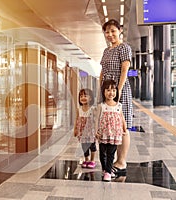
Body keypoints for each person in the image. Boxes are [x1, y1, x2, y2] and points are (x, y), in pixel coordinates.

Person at [100, 19, 132, 176]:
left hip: (119, 90)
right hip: (107, 92)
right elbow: (102, 72)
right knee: (111, 126)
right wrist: (102, 90)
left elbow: (125, 70)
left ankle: (121, 161)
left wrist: (117, 92)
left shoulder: (124, 47)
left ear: (119, 30)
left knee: (122, 126)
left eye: (113, 30)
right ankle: (114, 160)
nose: (110, 34)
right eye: (107, 32)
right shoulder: (106, 51)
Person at [95, 79, 128, 182]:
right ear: (103, 92)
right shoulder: (102, 106)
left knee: (111, 153)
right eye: (108, 90)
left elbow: (121, 117)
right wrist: (96, 131)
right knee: (102, 153)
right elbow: (97, 119)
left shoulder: (119, 106)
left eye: (113, 90)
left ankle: (108, 172)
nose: (111, 93)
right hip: (103, 134)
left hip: (115, 134)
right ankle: (105, 169)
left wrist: (124, 128)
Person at [74, 88, 97, 169]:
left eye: (85, 96)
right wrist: (75, 129)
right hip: (82, 131)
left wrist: (97, 131)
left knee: (92, 146)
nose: (83, 98)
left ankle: (92, 160)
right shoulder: (79, 109)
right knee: (84, 146)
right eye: (81, 96)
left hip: (91, 131)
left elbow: (96, 120)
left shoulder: (93, 109)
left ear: (90, 98)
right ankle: (86, 159)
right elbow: (77, 120)